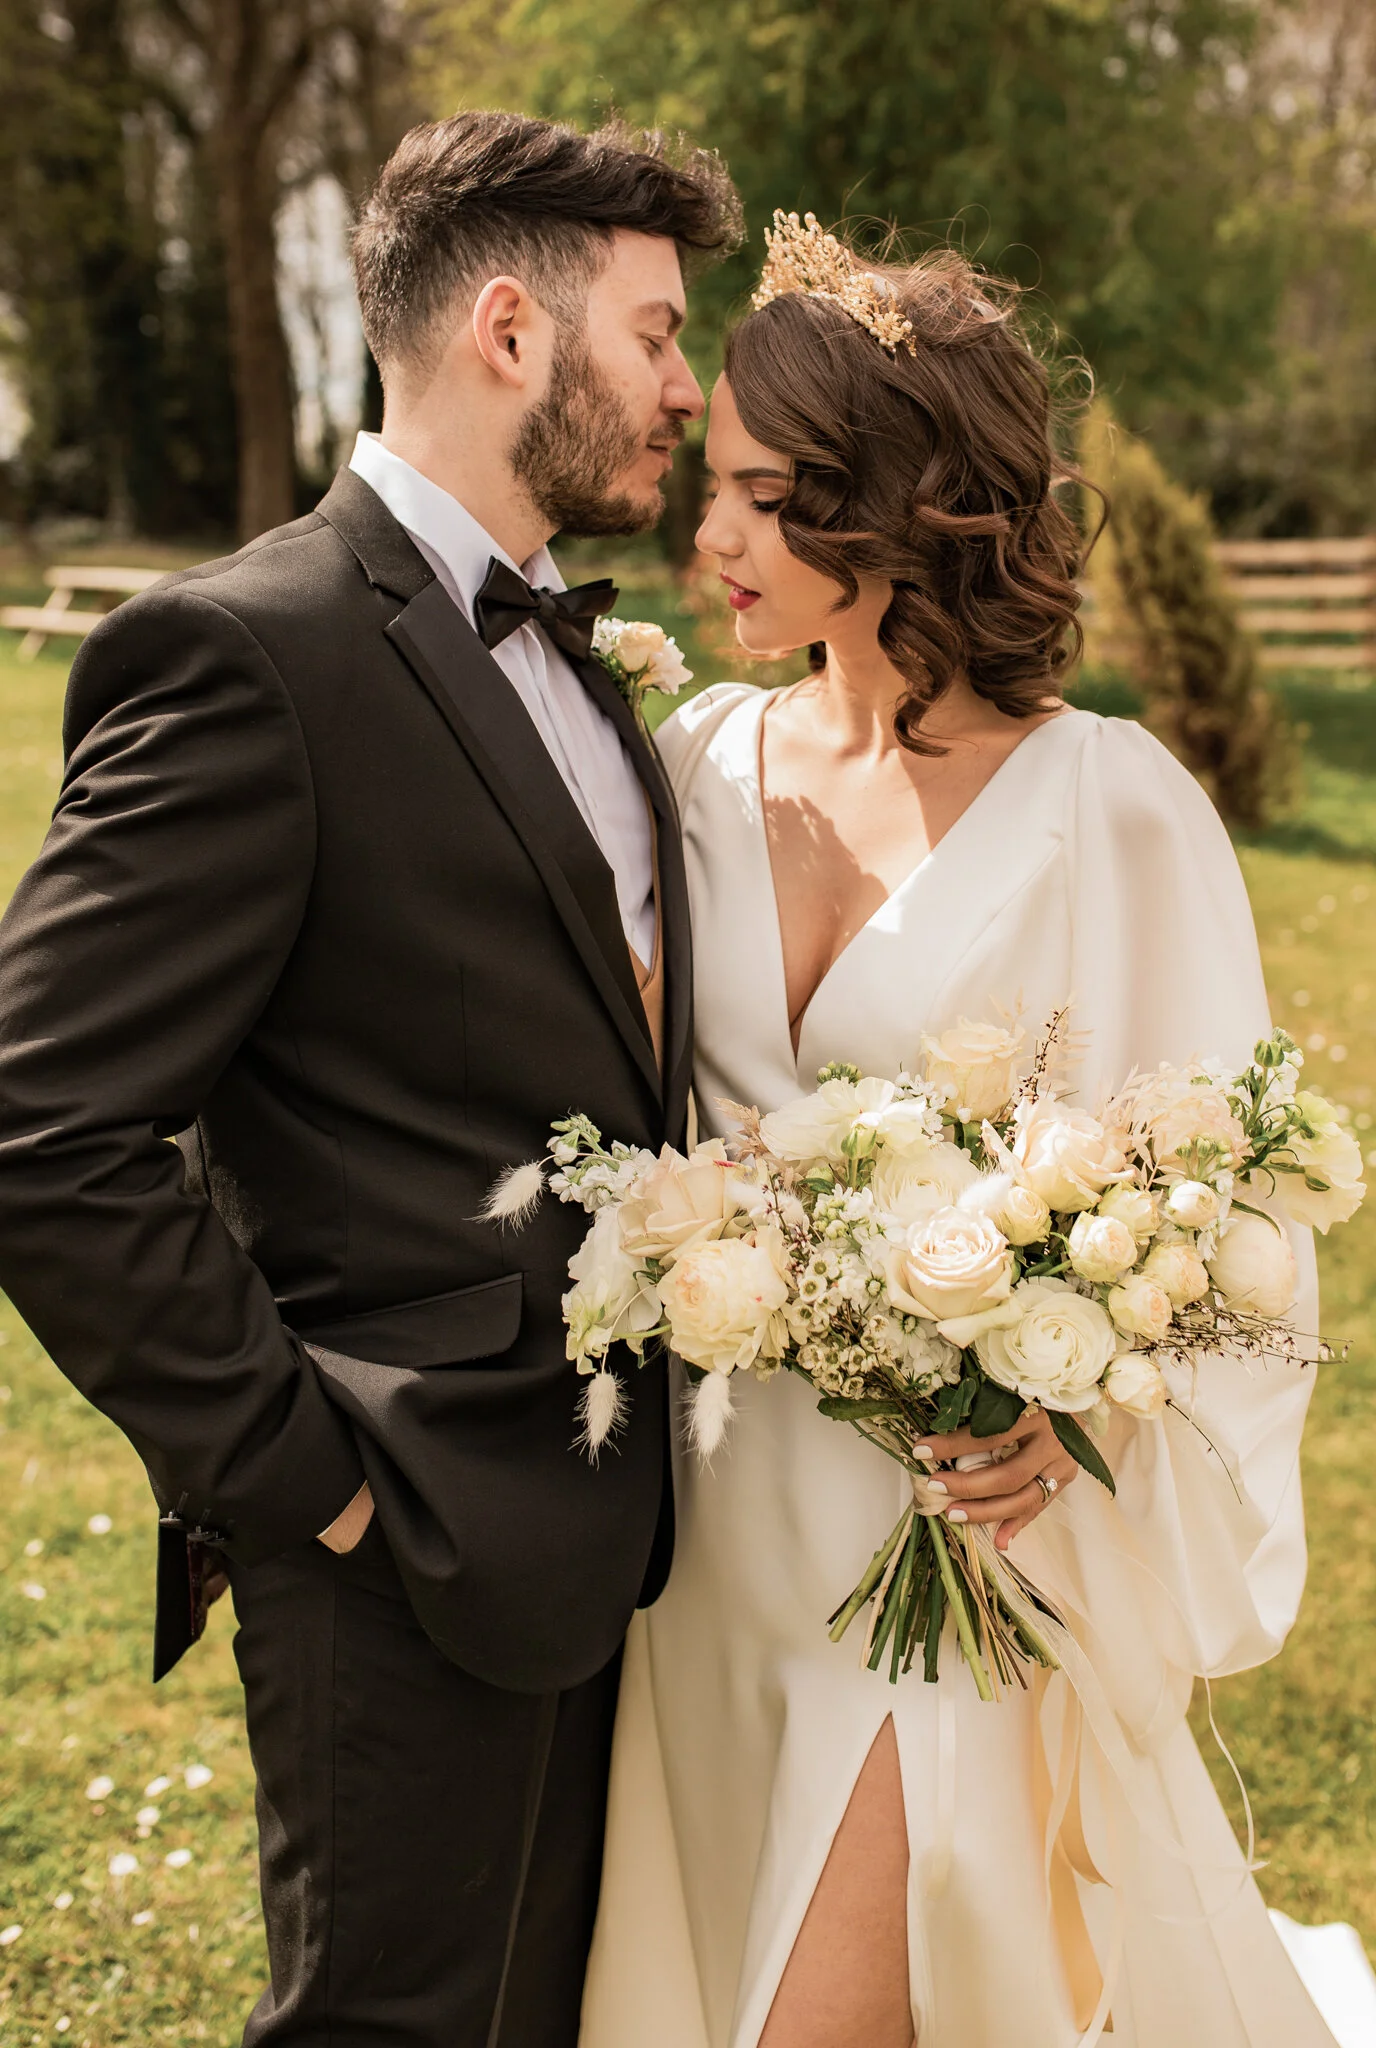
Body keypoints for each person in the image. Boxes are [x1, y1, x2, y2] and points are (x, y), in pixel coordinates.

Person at [0, 111, 739, 2047]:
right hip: (400, 1531)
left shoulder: (571, 649)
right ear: (513, 329)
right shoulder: (248, 653)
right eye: (656, 334)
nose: (686, 386)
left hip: (605, 1526)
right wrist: (305, 1488)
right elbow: (41, 1124)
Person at [579, 219, 1341, 2048]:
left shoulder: (1117, 809)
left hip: (953, 1547)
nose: (713, 540)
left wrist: (1072, 1411)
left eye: (769, 500)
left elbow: (1221, 1211)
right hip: (716, 1538)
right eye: (718, 488)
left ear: (905, 506)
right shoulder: (688, 767)